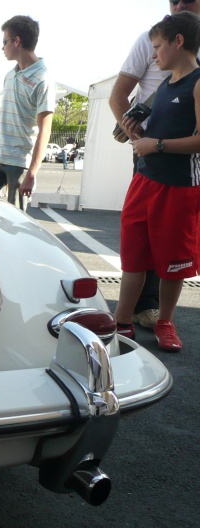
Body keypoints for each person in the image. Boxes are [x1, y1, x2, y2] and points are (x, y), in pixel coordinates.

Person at [109, 0, 200, 330]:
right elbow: (119, 97)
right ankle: (123, 319)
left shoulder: (195, 80)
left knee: (174, 257)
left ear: (177, 42)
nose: (154, 53)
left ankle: (164, 321)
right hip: (146, 171)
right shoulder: (163, 79)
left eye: (158, 47)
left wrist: (157, 144)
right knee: (135, 250)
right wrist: (136, 133)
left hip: (179, 181)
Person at [0, 15, 56, 212]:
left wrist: (32, 173)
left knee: (15, 220)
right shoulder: (10, 75)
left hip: (18, 162)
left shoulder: (43, 80)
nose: (2, 48)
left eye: (4, 42)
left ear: (17, 41)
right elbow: (3, 118)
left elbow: (45, 130)